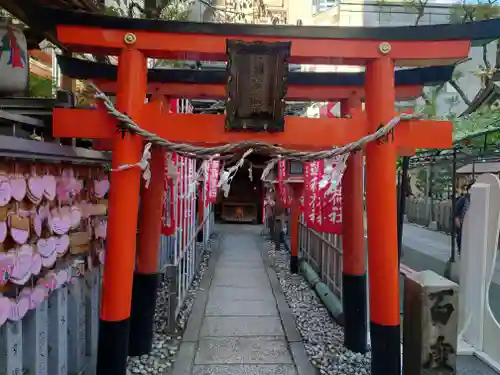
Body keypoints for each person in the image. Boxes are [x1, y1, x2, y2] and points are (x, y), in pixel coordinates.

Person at [454, 182, 473, 254]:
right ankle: (460, 251)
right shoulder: (463, 199)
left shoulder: (476, 200)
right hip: (462, 223)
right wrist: (457, 221)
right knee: (460, 237)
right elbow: (456, 211)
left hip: (470, 224)